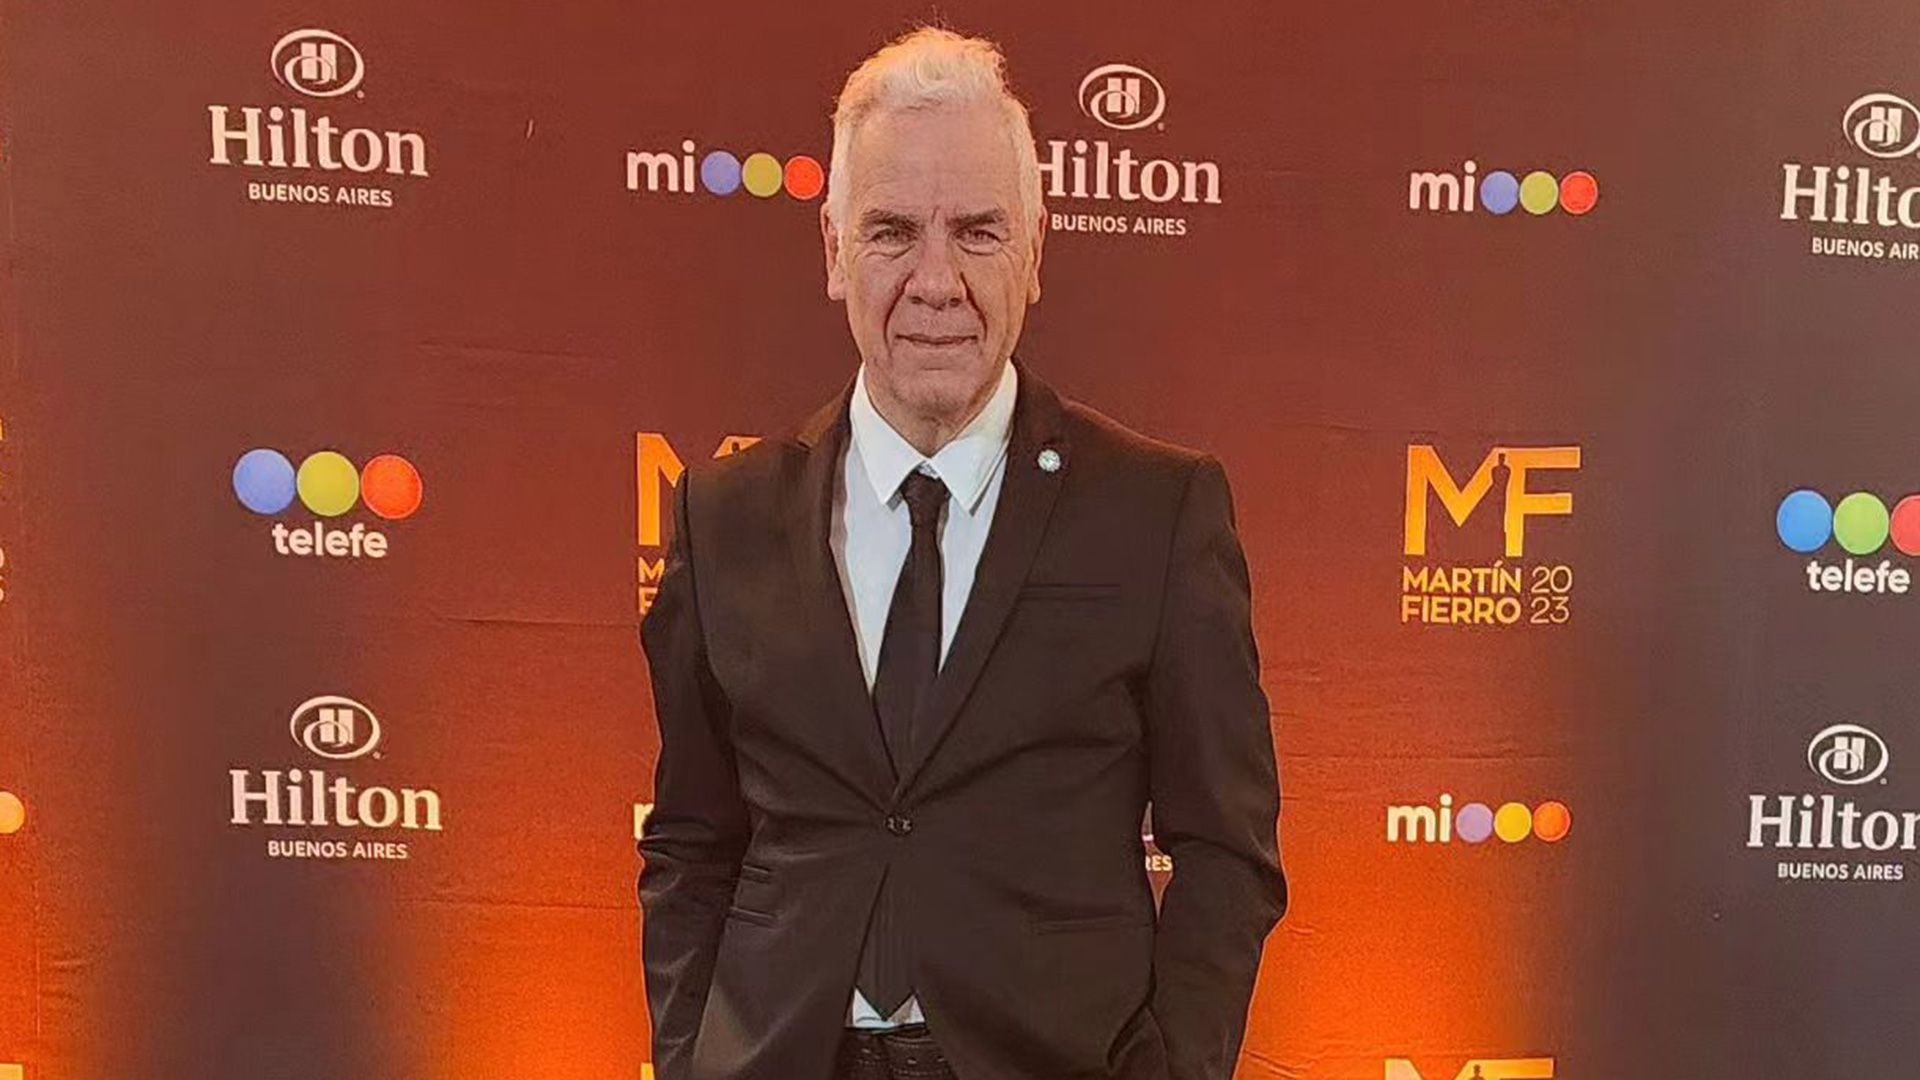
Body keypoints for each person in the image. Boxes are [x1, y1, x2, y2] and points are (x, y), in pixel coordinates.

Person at [638, 26, 1284, 1080]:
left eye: (978, 232)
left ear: (1035, 254)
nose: (936, 281)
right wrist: (688, 1061)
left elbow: (1228, 854)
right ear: (834, 251)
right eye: (893, 231)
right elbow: (690, 845)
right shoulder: (726, 518)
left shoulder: (1157, 512)